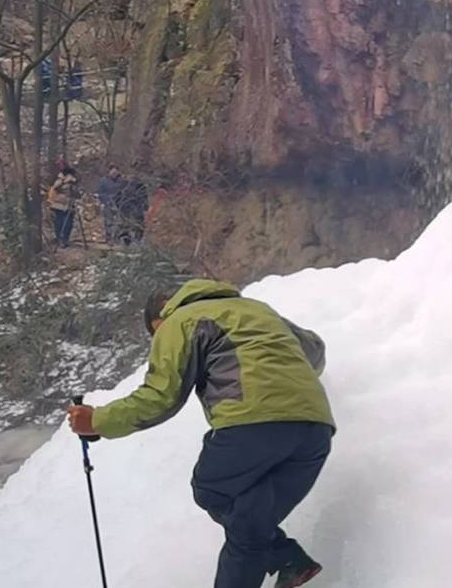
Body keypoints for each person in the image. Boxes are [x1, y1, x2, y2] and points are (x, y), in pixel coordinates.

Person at [67, 279, 334, 588]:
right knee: (248, 524)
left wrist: (97, 420)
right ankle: (288, 560)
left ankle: (285, 555)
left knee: (212, 489)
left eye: (156, 336)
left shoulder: (178, 321)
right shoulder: (257, 310)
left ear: (161, 317)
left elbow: (160, 397)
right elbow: (314, 351)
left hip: (249, 424)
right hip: (315, 430)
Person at [48, 167, 80, 248]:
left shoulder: (73, 182)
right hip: (59, 205)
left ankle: (65, 239)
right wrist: (64, 181)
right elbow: (55, 187)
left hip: (69, 206)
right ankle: (59, 239)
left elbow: (77, 192)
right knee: (59, 223)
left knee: (69, 224)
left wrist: (74, 183)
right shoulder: (59, 180)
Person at [115, 172, 149, 244]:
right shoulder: (140, 186)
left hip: (128, 209)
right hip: (133, 209)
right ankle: (136, 241)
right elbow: (144, 198)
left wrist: (118, 205)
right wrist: (145, 207)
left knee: (126, 226)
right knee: (136, 226)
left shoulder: (124, 185)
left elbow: (117, 197)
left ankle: (129, 242)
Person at [96, 164, 123, 244]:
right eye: (113, 171)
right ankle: (109, 237)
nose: (114, 173)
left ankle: (117, 238)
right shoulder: (103, 181)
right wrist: (106, 200)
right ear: (109, 171)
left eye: (116, 171)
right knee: (108, 222)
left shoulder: (121, 181)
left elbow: (124, 191)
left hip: (119, 204)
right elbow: (100, 193)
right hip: (107, 203)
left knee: (119, 222)